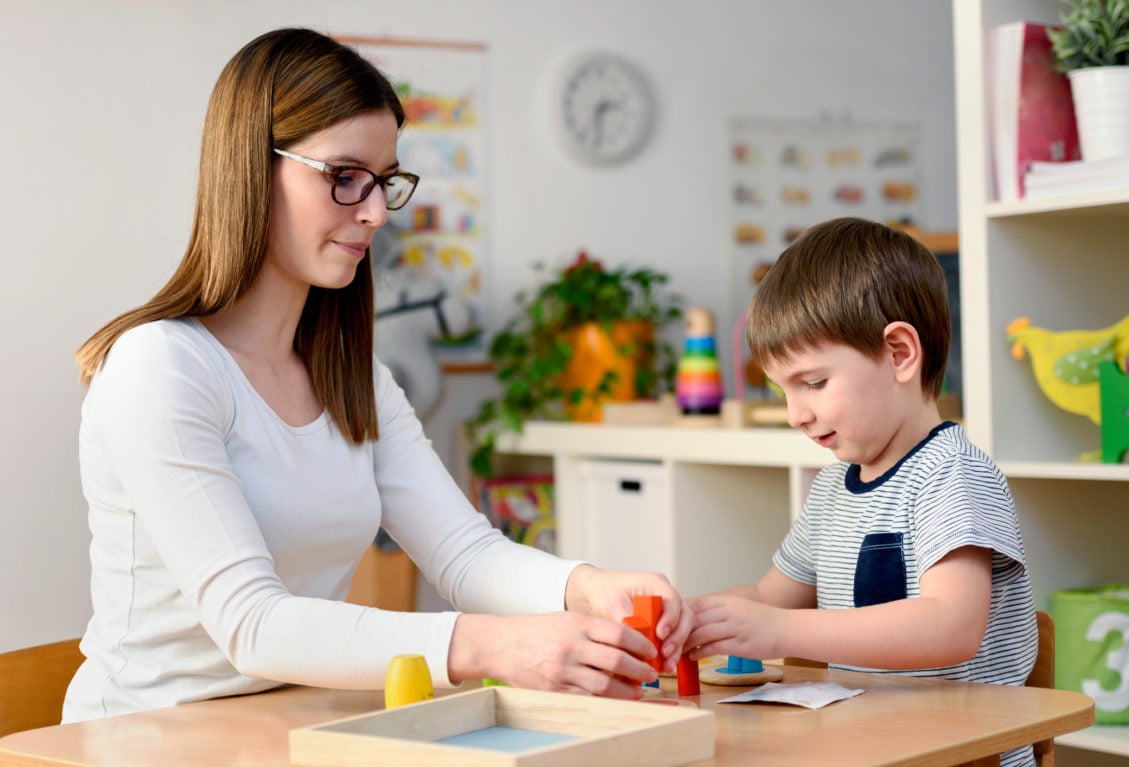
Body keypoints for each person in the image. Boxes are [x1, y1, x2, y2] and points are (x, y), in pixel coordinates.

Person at [64, 27, 691, 723]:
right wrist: (490, 645)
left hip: (286, 725)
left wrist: (588, 586)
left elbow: (463, 554)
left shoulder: (352, 375)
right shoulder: (160, 367)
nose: (372, 211)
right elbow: (251, 624)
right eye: (343, 176)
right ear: (251, 167)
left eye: (384, 181)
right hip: (141, 737)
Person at [686, 218, 1037, 767]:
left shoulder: (954, 475)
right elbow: (770, 597)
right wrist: (694, 617)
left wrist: (778, 630)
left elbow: (952, 626)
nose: (795, 415)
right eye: (782, 391)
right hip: (869, 744)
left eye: (813, 383)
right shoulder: (831, 489)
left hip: (962, 752)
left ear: (899, 353)